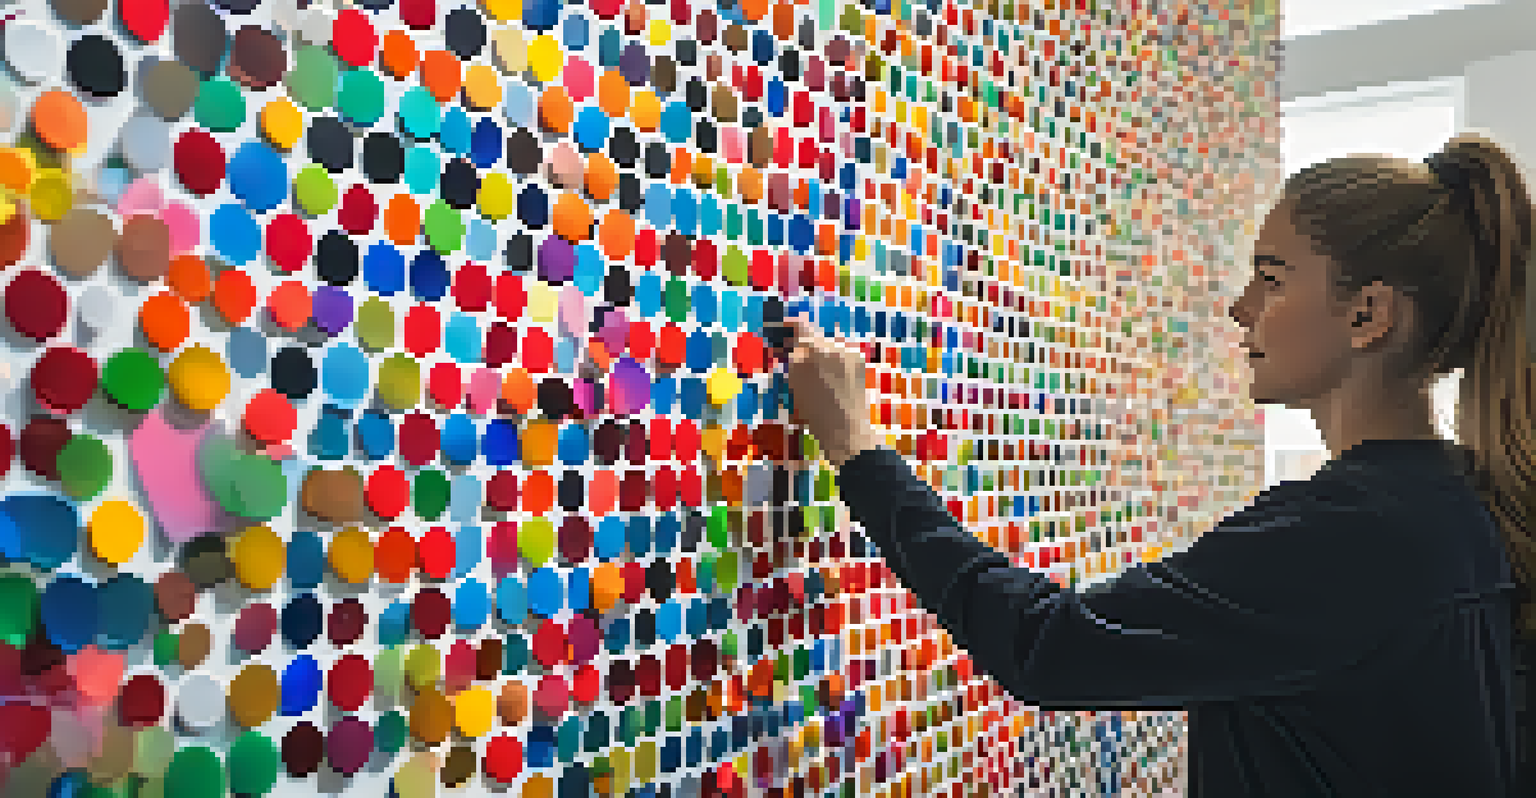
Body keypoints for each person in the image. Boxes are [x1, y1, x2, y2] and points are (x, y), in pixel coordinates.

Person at [773, 131, 1536, 797]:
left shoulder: (1349, 538)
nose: (1240, 308)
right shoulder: (1468, 506)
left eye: (1271, 278)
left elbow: (1047, 647)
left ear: (1368, 315)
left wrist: (858, 450)